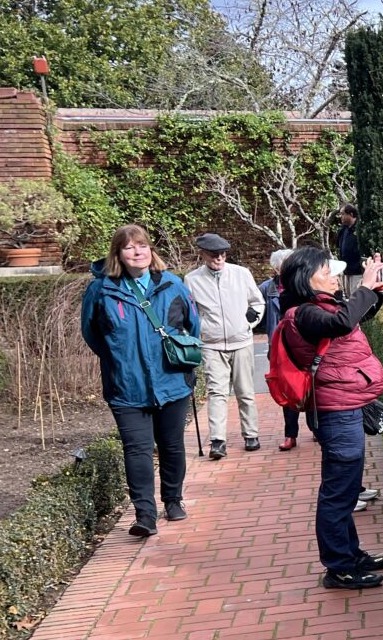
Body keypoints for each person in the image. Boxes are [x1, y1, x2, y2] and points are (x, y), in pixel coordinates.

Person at [278, 246, 383, 590]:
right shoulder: (304, 313)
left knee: (345, 490)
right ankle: (339, 567)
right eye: (326, 272)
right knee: (338, 494)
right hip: (336, 412)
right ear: (305, 278)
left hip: (345, 407)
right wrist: (365, 287)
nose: (333, 277)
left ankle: (350, 554)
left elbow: (354, 317)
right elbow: (342, 323)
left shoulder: (322, 307)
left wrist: (379, 288)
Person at [80, 224, 199, 538]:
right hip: (126, 386)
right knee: (137, 450)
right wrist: (120, 359)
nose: (137, 252)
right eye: (129, 247)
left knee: (172, 445)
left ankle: (173, 499)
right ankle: (145, 515)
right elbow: (92, 334)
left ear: (151, 250)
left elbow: (192, 326)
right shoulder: (101, 289)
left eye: (142, 245)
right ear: (118, 253)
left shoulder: (172, 284)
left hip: (172, 381)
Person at [185, 233, 265, 459]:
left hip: (241, 342)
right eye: (213, 255)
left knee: (245, 391)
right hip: (212, 344)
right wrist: (199, 331)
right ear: (203, 254)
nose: (219, 258)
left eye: (222, 254)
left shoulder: (241, 273)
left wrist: (249, 322)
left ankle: (251, 435)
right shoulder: (192, 279)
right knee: (216, 392)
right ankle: (217, 441)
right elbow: (190, 312)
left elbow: (257, 302)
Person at [259, 249, 301, 451]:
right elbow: (255, 308)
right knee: (287, 389)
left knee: (312, 385)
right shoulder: (266, 288)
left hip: (303, 342)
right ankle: (290, 435)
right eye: (284, 264)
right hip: (278, 345)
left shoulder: (303, 284)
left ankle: (317, 428)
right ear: (276, 268)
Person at [337, 206, 363, 297]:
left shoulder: (360, 229)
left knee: (356, 297)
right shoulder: (344, 230)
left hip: (357, 272)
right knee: (348, 297)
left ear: (351, 214)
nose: (341, 217)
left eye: (343, 214)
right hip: (347, 271)